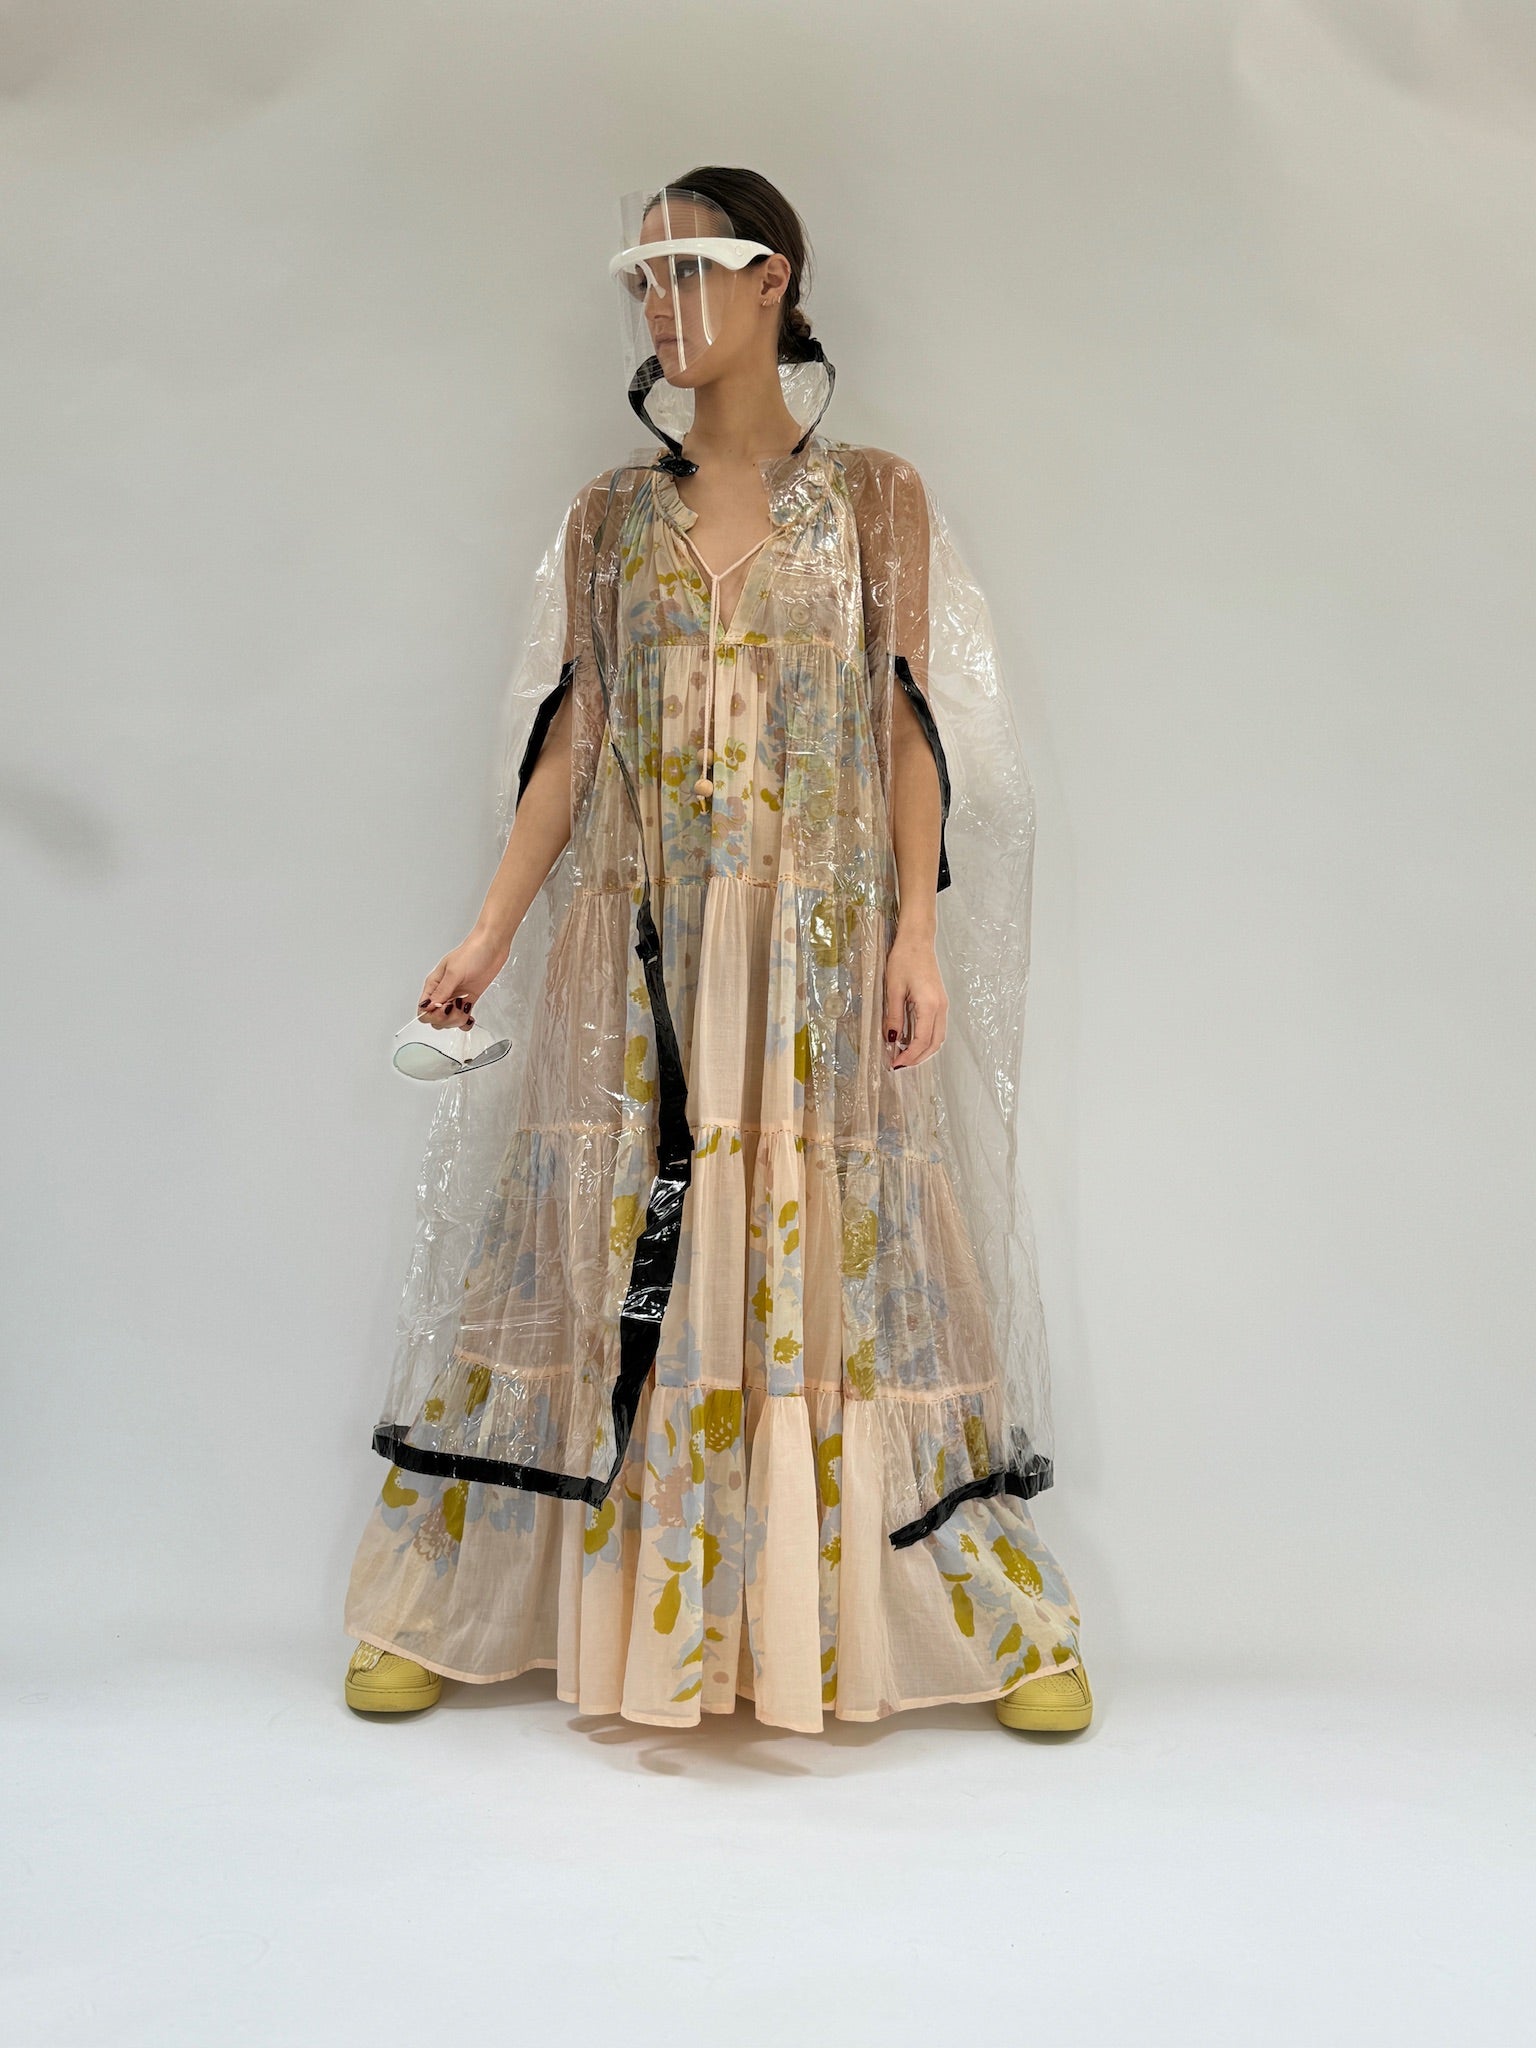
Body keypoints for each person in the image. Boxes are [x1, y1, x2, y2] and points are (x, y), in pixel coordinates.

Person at [342, 167, 1092, 1735]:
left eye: (690, 265)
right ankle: (453, 1603)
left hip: (815, 960)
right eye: (641, 276)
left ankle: (980, 1621)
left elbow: (904, 724)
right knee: (579, 1248)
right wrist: (485, 933)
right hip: (637, 957)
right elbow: (577, 742)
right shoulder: (609, 517)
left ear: (775, 280)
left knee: (860, 1268)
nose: (658, 301)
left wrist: (916, 931)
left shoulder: (875, 499)